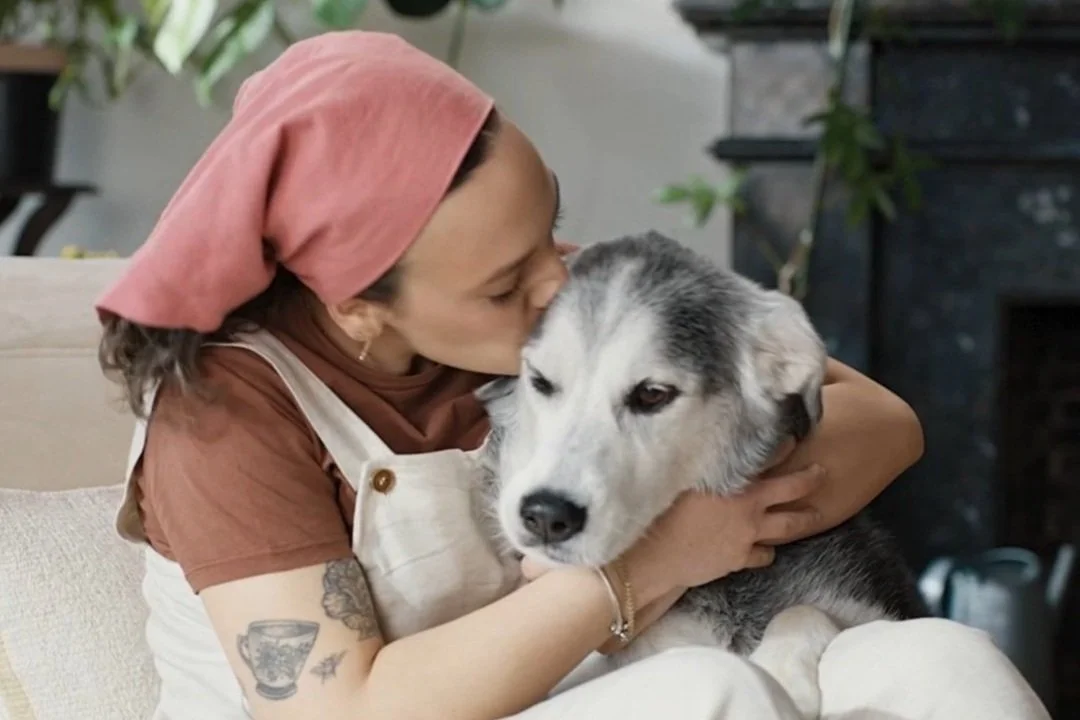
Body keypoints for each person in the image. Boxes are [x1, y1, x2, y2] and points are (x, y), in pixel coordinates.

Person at [95, 31, 1049, 720]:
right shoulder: (225, 414)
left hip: (578, 683)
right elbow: (347, 711)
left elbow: (883, 423)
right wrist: (656, 558)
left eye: (547, 226)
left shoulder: (569, 292)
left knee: (942, 659)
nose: (560, 283)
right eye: (509, 281)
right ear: (358, 305)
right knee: (710, 692)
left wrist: (721, 503)